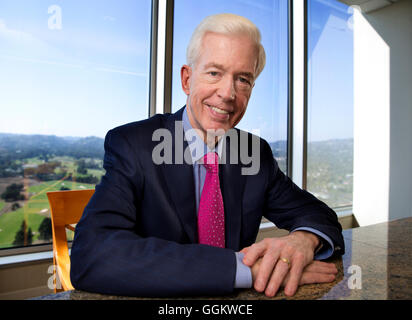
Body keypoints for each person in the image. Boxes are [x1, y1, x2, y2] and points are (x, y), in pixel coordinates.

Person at [70, 13, 344, 298]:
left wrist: (303, 240)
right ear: (187, 80)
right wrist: (242, 270)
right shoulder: (133, 145)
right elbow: (93, 255)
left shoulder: (254, 154)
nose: (227, 93)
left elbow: (319, 215)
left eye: (243, 79)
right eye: (214, 73)